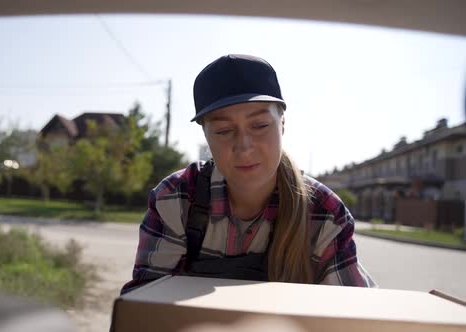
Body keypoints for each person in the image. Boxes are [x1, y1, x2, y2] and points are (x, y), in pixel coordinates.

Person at [121, 54, 375, 294]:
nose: (244, 146)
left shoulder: (324, 213)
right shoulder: (176, 199)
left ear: (282, 124)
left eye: (260, 125)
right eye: (223, 130)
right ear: (206, 136)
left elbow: (356, 316)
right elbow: (144, 309)